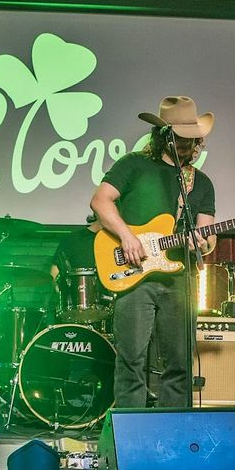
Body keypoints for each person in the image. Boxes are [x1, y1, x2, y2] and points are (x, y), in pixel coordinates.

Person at [90, 95, 216, 409]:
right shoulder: (134, 164)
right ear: (163, 135)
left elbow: (207, 233)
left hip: (179, 280)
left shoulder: (200, 183)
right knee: (130, 359)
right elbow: (100, 201)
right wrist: (127, 236)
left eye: (192, 139)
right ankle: (130, 427)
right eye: (181, 137)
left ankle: (173, 427)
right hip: (134, 276)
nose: (187, 144)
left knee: (179, 362)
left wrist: (202, 242)